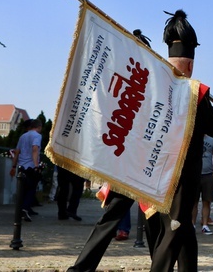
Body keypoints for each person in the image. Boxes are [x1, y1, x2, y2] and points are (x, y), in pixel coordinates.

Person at [148, 10, 213, 272]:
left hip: (154, 173)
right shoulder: (194, 92)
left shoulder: (152, 85)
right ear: (190, 64)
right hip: (183, 176)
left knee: (181, 230)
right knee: (175, 230)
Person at [68, 29, 161, 270]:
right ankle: (81, 268)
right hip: (127, 165)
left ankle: (160, 266)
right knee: (112, 219)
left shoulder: (152, 86)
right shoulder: (120, 81)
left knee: (152, 221)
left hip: (143, 164)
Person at [11, 119, 43, 222]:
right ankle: (25, 209)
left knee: (22, 189)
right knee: (31, 189)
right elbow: (35, 149)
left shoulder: (23, 136)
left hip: (21, 166)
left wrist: (14, 166)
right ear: (39, 127)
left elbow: (17, 152)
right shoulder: (37, 136)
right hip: (30, 166)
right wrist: (36, 165)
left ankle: (20, 209)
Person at [192, 134, 213, 235]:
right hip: (195, 175)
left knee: (206, 202)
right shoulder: (192, 137)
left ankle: (205, 225)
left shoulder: (212, 140)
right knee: (193, 203)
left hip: (208, 175)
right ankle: (192, 225)